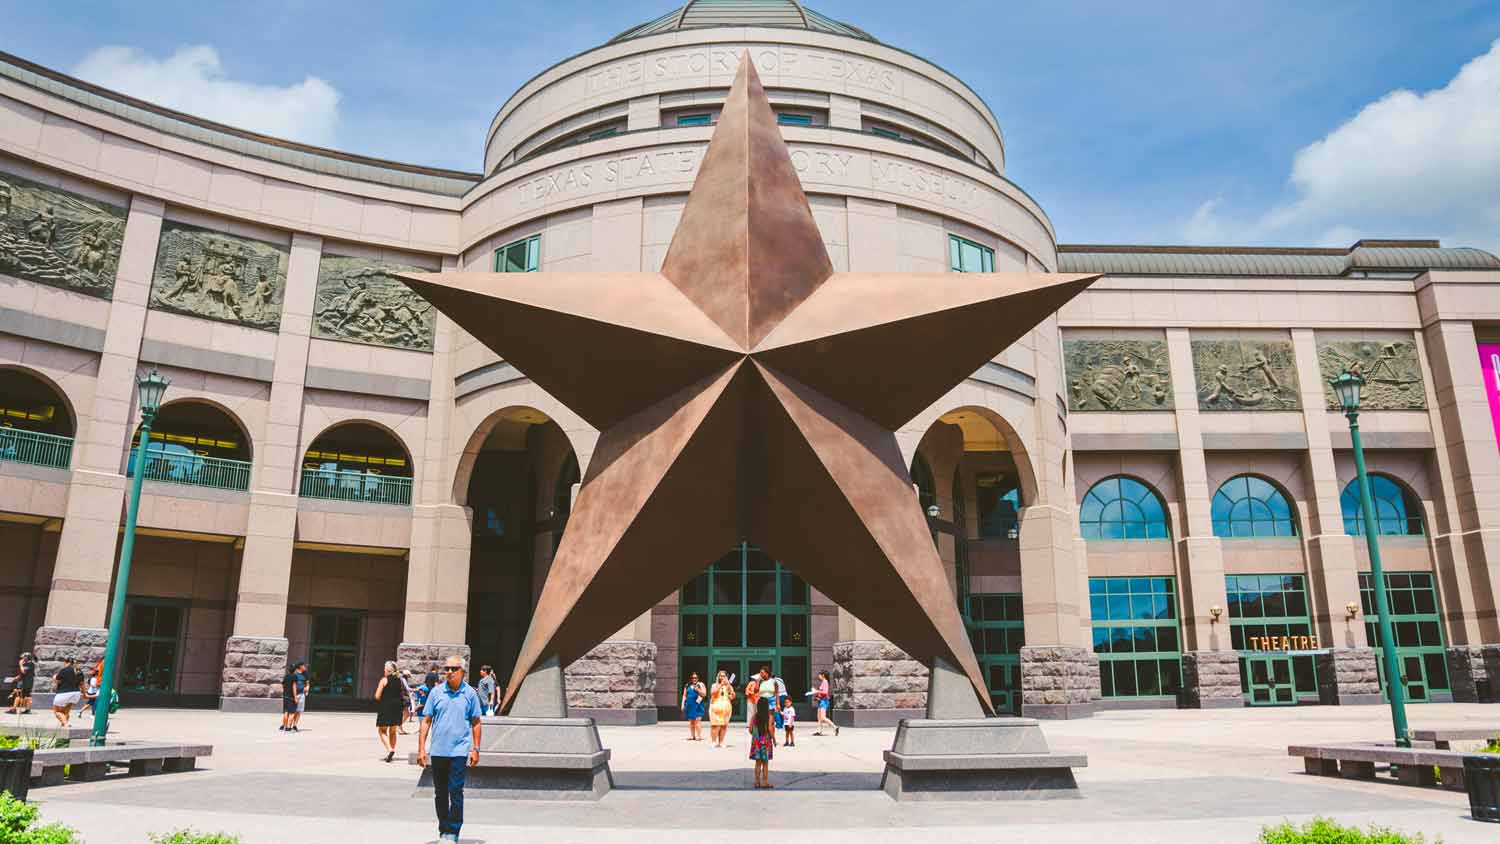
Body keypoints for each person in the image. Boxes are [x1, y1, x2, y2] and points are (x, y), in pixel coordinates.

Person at [416, 655, 482, 843]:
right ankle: (443, 829)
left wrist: (476, 749)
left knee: (456, 791)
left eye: (454, 669)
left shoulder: (470, 694)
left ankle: (453, 831)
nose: (449, 672)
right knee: (440, 793)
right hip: (438, 751)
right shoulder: (436, 693)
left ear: (462, 671)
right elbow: (426, 721)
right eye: (447, 669)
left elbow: (476, 722)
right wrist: (421, 749)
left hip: (459, 752)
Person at [375, 660, 405, 763]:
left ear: (387, 670)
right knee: (393, 731)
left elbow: (377, 696)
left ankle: (390, 749)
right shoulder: (399, 680)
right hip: (397, 707)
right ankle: (391, 752)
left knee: (382, 730)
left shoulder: (384, 680)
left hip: (386, 707)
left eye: (384, 669)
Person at [748, 696, 775, 789]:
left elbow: (750, 729)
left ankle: (756, 782)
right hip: (766, 742)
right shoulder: (769, 716)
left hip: (756, 742)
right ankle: (765, 782)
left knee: (758, 763)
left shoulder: (754, 716)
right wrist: (774, 739)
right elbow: (770, 730)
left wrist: (755, 735)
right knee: (765, 763)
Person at [51, 658, 82, 727]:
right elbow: (82, 684)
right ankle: (64, 727)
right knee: (66, 712)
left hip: (64, 693)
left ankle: (66, 724)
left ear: (66, 662)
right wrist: (85, 694)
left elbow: (57, 681)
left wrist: (54, 678)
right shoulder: (79, 671)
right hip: (76, 694)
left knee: (57, 711)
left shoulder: (64, 670)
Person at [708, 670, 734, 748]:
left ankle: (721, 742)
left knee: (724, 725)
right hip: (715, 707)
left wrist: (731, 693)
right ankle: (713, 741)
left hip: (726, 707)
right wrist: (721, 685)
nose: (722, 677)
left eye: (724, 676)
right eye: (720, 675)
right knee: (715, 725)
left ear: (726, 677)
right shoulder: (714, 685)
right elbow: (713, 692)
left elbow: (733, 694)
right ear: (718, 677)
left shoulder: (728, 686)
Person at [680, 672, 706, 741]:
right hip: (689, 704)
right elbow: (684, 695)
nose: (694, 679)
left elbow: (704, 694)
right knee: (691, 721)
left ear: (698, 678)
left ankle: (699, 736)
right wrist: (682, 704)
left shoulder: (700, 684)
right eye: (693, 678)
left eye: (695, 678)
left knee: (698, 720)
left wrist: (698, 690)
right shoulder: (687, 685)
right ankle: (692, 736)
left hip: (698, 705)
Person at [813, 670, 837, 736]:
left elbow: (825, 692)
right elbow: (822, 692)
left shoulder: (825, 682)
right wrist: (817, 693)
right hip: (821, 700)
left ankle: (835, 727)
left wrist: (816, 691)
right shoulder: (823, 682)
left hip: (824, 701)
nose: (819, 676)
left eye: (819, 674)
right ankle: (819, 731)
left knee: (823, 717)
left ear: (823, 675)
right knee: (819, 717)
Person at [291, 662, 309, 730]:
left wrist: (307, 688)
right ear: (300, 666)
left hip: (302, 694)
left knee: (299, 711)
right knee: (293, 711)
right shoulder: (295, 674)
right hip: (294, 695)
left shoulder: (305, 674)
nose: (305, 667)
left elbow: (307, 683)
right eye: (304, 666)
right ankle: (289, 724)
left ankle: (295, 725)